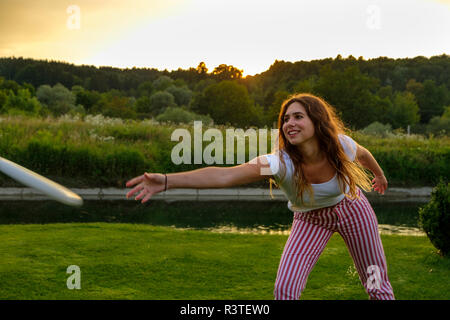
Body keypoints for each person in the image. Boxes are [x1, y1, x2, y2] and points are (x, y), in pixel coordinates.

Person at [125, 93, 395, 300]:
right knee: (285, 289)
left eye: (298, 117)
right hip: (310, 220)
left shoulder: (342, 145)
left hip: (352, 208)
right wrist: (168, 181)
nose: (289, 123)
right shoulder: (279, 163)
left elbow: (363, 154)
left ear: (317, 120)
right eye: (285, 119)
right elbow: (225, 176)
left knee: (375, 282)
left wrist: (379, 175)